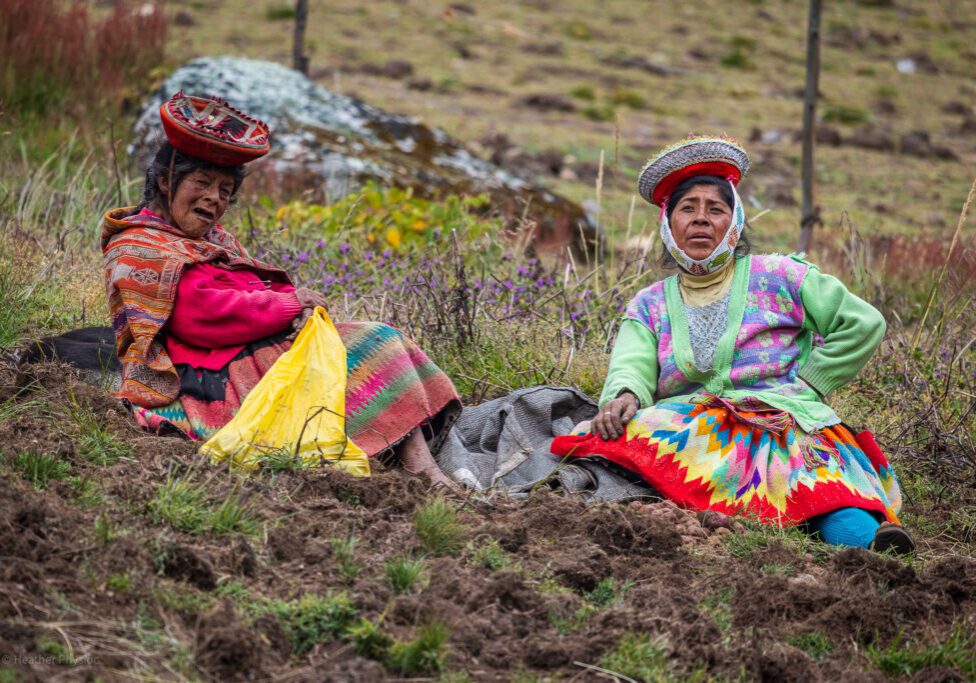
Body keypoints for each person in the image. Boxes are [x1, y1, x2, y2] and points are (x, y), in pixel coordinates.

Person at [551, 135, 912, 553]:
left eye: (715, 209)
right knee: (600, 441)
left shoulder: (779, 276)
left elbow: (863, 322)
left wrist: (811, 383)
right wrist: (624, 395)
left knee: (825, 491)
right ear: (669, 225)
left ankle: (872, 548)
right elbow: (632, 363)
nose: (701, 220)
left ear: (735, 222)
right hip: (697, 433)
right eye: (687, 209)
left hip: (782, 426)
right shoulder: (649, 303)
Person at [101, 91, 459, 486]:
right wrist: (290, 304)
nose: (213, 199)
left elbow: (250, 291)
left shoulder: (212, 241)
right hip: (205, 380)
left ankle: (418, 462)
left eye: (224, 190)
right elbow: (198, 314)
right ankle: (422, 469)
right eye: (202, 182)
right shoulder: (139, 246)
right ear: (166, 180)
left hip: (243, 356)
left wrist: (292, 311)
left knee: (376, 344)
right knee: (373, 346)